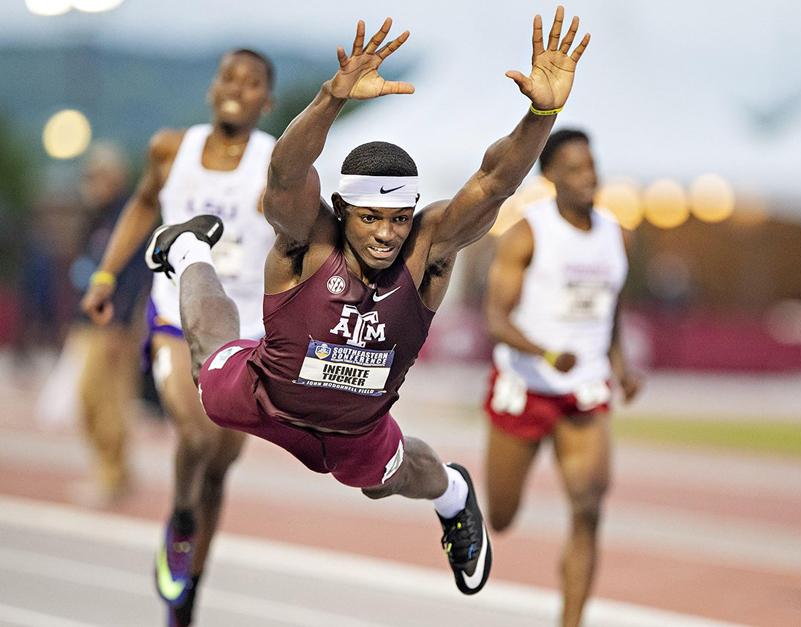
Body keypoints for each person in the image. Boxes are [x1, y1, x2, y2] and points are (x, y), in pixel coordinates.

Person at [140, 9, 589, 598]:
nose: (385, 234)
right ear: (343, 211)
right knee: (207, 364)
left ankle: (455, 497)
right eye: (371, 218)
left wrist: (542, 114)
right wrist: (332, 97)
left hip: (356, 430)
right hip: (263, 397)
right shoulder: (309, 238)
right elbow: (282, 173)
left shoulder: (428, 251)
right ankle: (192, 248)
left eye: (399, 219)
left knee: (389, 481)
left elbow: (494, 182)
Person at [81, 49, 277, 626]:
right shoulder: (171, 148)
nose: (238, 87)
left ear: (266, 100)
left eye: (253, 82)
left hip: (247, 330)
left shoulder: (275, 164)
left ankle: (190, 589)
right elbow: (143, 205)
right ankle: (183, 517)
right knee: (194, 430)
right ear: (213, 89)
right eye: (230, 77)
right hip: (175, 316)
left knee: (219, 464)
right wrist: (105, 274)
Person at [483, 128, 641, 626]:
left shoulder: (618, 233)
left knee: (589, 505)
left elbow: (609, 309)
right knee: (502, 518)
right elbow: (496, 319)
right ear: (549, 176)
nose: (586, 176)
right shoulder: (527, 232)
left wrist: (621, 364)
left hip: (585, 388)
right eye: (572, 168)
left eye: (590, 165)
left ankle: (571, 620)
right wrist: (546, 353)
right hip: (525, 385)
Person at [68, 143, 151, 505]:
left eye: (97, 176)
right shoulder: (97, 216)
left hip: (115, 325)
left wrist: (125, 324)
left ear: (114, 178)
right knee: (89, 399)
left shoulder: (129, 218)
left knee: (108, 400)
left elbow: (136, 276)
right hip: (89, 321)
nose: (91, 183)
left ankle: (113, 475)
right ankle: (111, 469)